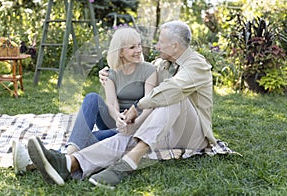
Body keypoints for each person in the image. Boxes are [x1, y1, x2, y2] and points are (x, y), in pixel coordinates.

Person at [27, 20, 218, 188]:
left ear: (175, 46)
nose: (156, 45)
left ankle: (130, 161)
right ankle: (69, 163)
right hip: (166, 131)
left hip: (193, 136)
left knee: (173, 95)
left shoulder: (196, 65)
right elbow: (141, 68)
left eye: (160, 42)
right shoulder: (163, 64)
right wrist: (109, 72)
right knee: (129, 136)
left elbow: (170, 91)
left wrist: (137, 107)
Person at [12, 26, 157, 174]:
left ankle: (32, 163)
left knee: (91, 138)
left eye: (139, 45)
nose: (139, 50)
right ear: (120, 52)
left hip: (136, 125)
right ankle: (67, 156)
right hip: (115, 122)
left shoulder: (148, 70)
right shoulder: (110, 73)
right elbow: (112, 104)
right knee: (92, 98)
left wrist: (132, 125)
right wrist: (118, 118)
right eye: (132, 47)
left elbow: (149, 105)